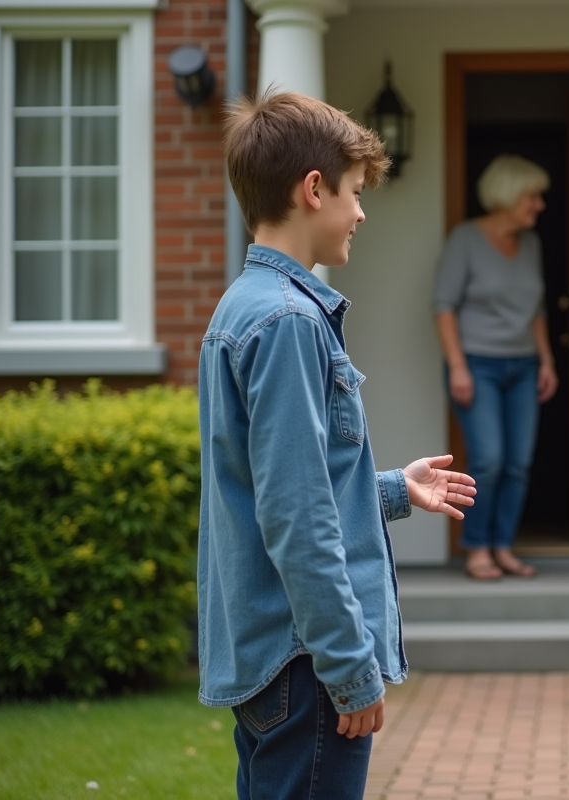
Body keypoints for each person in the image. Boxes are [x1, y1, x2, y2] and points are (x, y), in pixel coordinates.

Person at [198, 91, 476, 800]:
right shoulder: (289, 321)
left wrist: (393, 489)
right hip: (307, 662)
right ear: (313, 189)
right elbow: (296, 516)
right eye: (354, 193)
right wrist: (350, 666)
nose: (360, 212)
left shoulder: (243, 306)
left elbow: (276, 487)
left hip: (273, 658)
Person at [433, 155, 558, 580]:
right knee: (488, 460)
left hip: (524, 366)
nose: (539, 204)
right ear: (507, 195)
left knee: (518, 463)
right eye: (532, 196)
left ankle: (502, 546)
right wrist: (458, 367)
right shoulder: (465, 239)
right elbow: (443, 307)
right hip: (477, 365)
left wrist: (546, 360)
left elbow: (536, 310)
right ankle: (476, 548)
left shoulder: (531, 244)